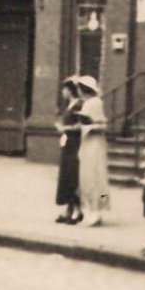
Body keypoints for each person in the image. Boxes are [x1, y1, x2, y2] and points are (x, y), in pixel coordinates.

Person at [73, 75, 110, 227]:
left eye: (80, 88)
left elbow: (102, 124)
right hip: (87, 142)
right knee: (86, 176)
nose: (79, 92)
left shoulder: (95, 103)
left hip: (94, 143)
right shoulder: (88, 103)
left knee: (95, 175)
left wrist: (88, 126)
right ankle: (89, 210)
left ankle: (96, 211)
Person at [54, 78, 83, 224]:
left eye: (65, 89)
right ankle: (70, 210)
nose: (62, 92)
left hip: (75, 144)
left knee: (72, 175)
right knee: (67, 176)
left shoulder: (78, 105)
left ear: (71, 90)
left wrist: (64, 128)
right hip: (68, 143)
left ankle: (75, 211)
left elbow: (81, 125)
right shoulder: (70, 105)